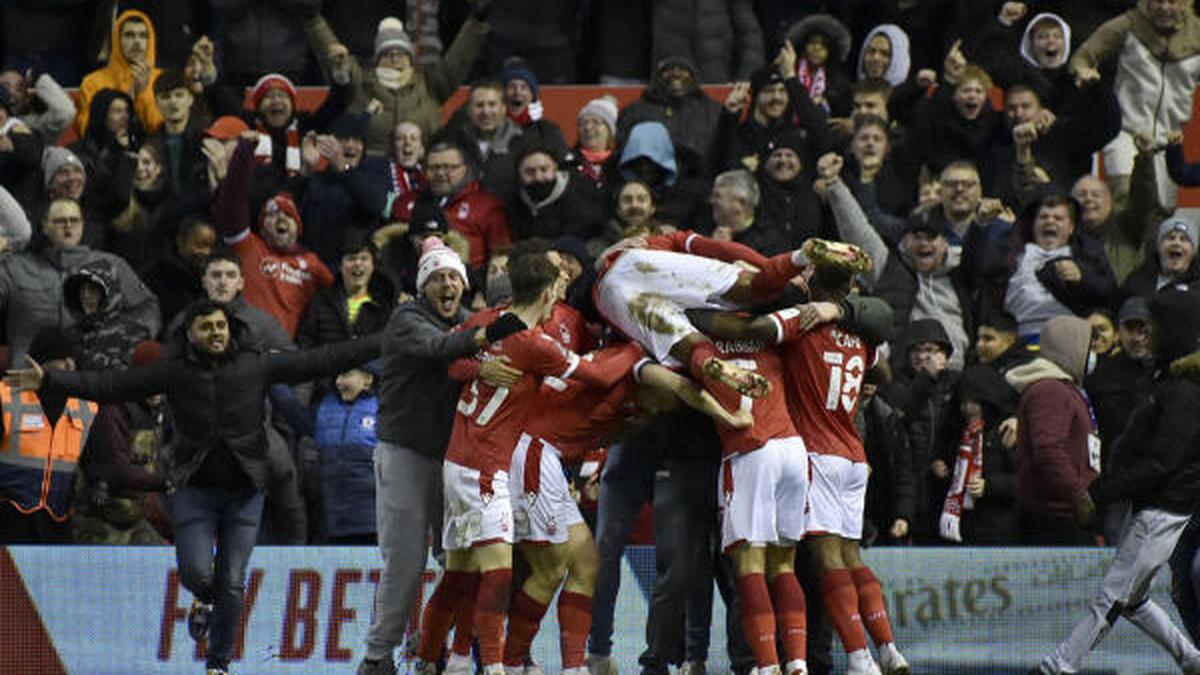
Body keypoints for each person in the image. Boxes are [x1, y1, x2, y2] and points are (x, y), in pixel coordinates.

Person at [4, 299, 383, 675]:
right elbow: (112, 385)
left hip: (245, 491)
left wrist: (384, 340)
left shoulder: (256, 362)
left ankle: (217, 666)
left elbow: (321, 359)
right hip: (194, 490)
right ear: (190, 334)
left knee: (232, 581)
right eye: (207, 327)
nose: (216, 332)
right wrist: (52, 380)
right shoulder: (173, 370)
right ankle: (204, 600)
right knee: (197, 575)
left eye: (221, 325)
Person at [411, 250, 619, 675]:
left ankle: (431, 660)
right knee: (499, 573)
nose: (562, 290)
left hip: (462, 458)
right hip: (485, 467)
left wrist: (479, 366)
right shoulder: (534, 342)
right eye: (558, 284)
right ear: (546, 293)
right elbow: (598, 378)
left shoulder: (489, 327)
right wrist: (636, 353)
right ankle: (493, 666)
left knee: (461, 572)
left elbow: (454, 360)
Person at [356, 238, 525, 675]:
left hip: (455, 461)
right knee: (407, 561)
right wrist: (491, 337)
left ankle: (442, 652)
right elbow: (440, 349)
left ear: (465, 286)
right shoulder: (407, 318)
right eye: (437, 278)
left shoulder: (469, 322)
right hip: (405, 455)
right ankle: (377, 656)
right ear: (422, 286)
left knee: (461, 561)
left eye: (454, 277)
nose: (447, 284)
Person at [1035, 290, 1200, 674]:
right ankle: (1191, 659)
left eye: (1154, 326)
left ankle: (1059, 666)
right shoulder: (1168, 381)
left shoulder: (1184, 392)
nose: (1149, 334)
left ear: (1173, 330)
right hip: (1159, 506)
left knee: (1111, 596)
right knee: (1133, 597)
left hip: (1163, 509)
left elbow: (1161, 462)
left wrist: (1099, 492)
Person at [0, 197, 159, 368]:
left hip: (97, 376)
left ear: (83, 225)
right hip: (26, 374)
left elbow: (147, 307)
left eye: (74, 220)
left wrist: (119, 336)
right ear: (45, 226)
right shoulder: (15, 267)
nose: (68, 225)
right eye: (60, 220)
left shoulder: (112, 264)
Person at [305, 10, 489, 155]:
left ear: (410, 59)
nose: (395, 58)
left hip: (424, 173)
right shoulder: (360, 83)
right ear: (377, 60)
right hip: (371, 173)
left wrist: (477, 23)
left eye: (401, 53)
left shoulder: (429, 84)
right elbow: (338, 61)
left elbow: (458, 60)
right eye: (387, 53)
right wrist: (314, 21)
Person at [214, 131, 333, 337]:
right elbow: (233, 200)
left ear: (298, 228)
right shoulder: (247, 246)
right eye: (271, 214)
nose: (280, 218)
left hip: (290, 356)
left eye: (288, 215)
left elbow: (341, 295)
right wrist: (244, 151)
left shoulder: (312, 263)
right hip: (249, 350)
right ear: (260, 227)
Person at [1005, 315, 1099, 545]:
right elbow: (1049, 450)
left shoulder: (1064, 388)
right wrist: (1078, 496)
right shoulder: (1050, 390)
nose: (1092, 355)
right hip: (1055, 517)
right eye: (1088, 347)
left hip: (1063, 513)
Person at [0, 329, 95, 544]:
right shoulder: (5, 396)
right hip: (9, 517)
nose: (70, 366)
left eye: (73, 360)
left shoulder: (87, 406)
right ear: (40, 364)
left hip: (59, 520)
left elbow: (96, 461)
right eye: (62, 360)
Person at [314, 362, 380, 545]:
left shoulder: (382, 408)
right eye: (337, 376)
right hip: (332, 510)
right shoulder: (325, 406)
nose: (339, 381)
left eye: (346, 375)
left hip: (371, 516)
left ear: (368, 379)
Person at [75, 10, 162, 136]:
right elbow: (86, 130)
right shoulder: (92, 83)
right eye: (129, 35)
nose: (137, 41)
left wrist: (143, 94)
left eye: (143, 35)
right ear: (117, 40)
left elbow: (161, 129)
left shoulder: (162, 79)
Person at [0, 67, 76, 143]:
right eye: (5, 87)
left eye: (19, 89)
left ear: (26, 98)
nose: (12, 92)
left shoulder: (35, 127)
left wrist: (38, 78)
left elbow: (64, 112)